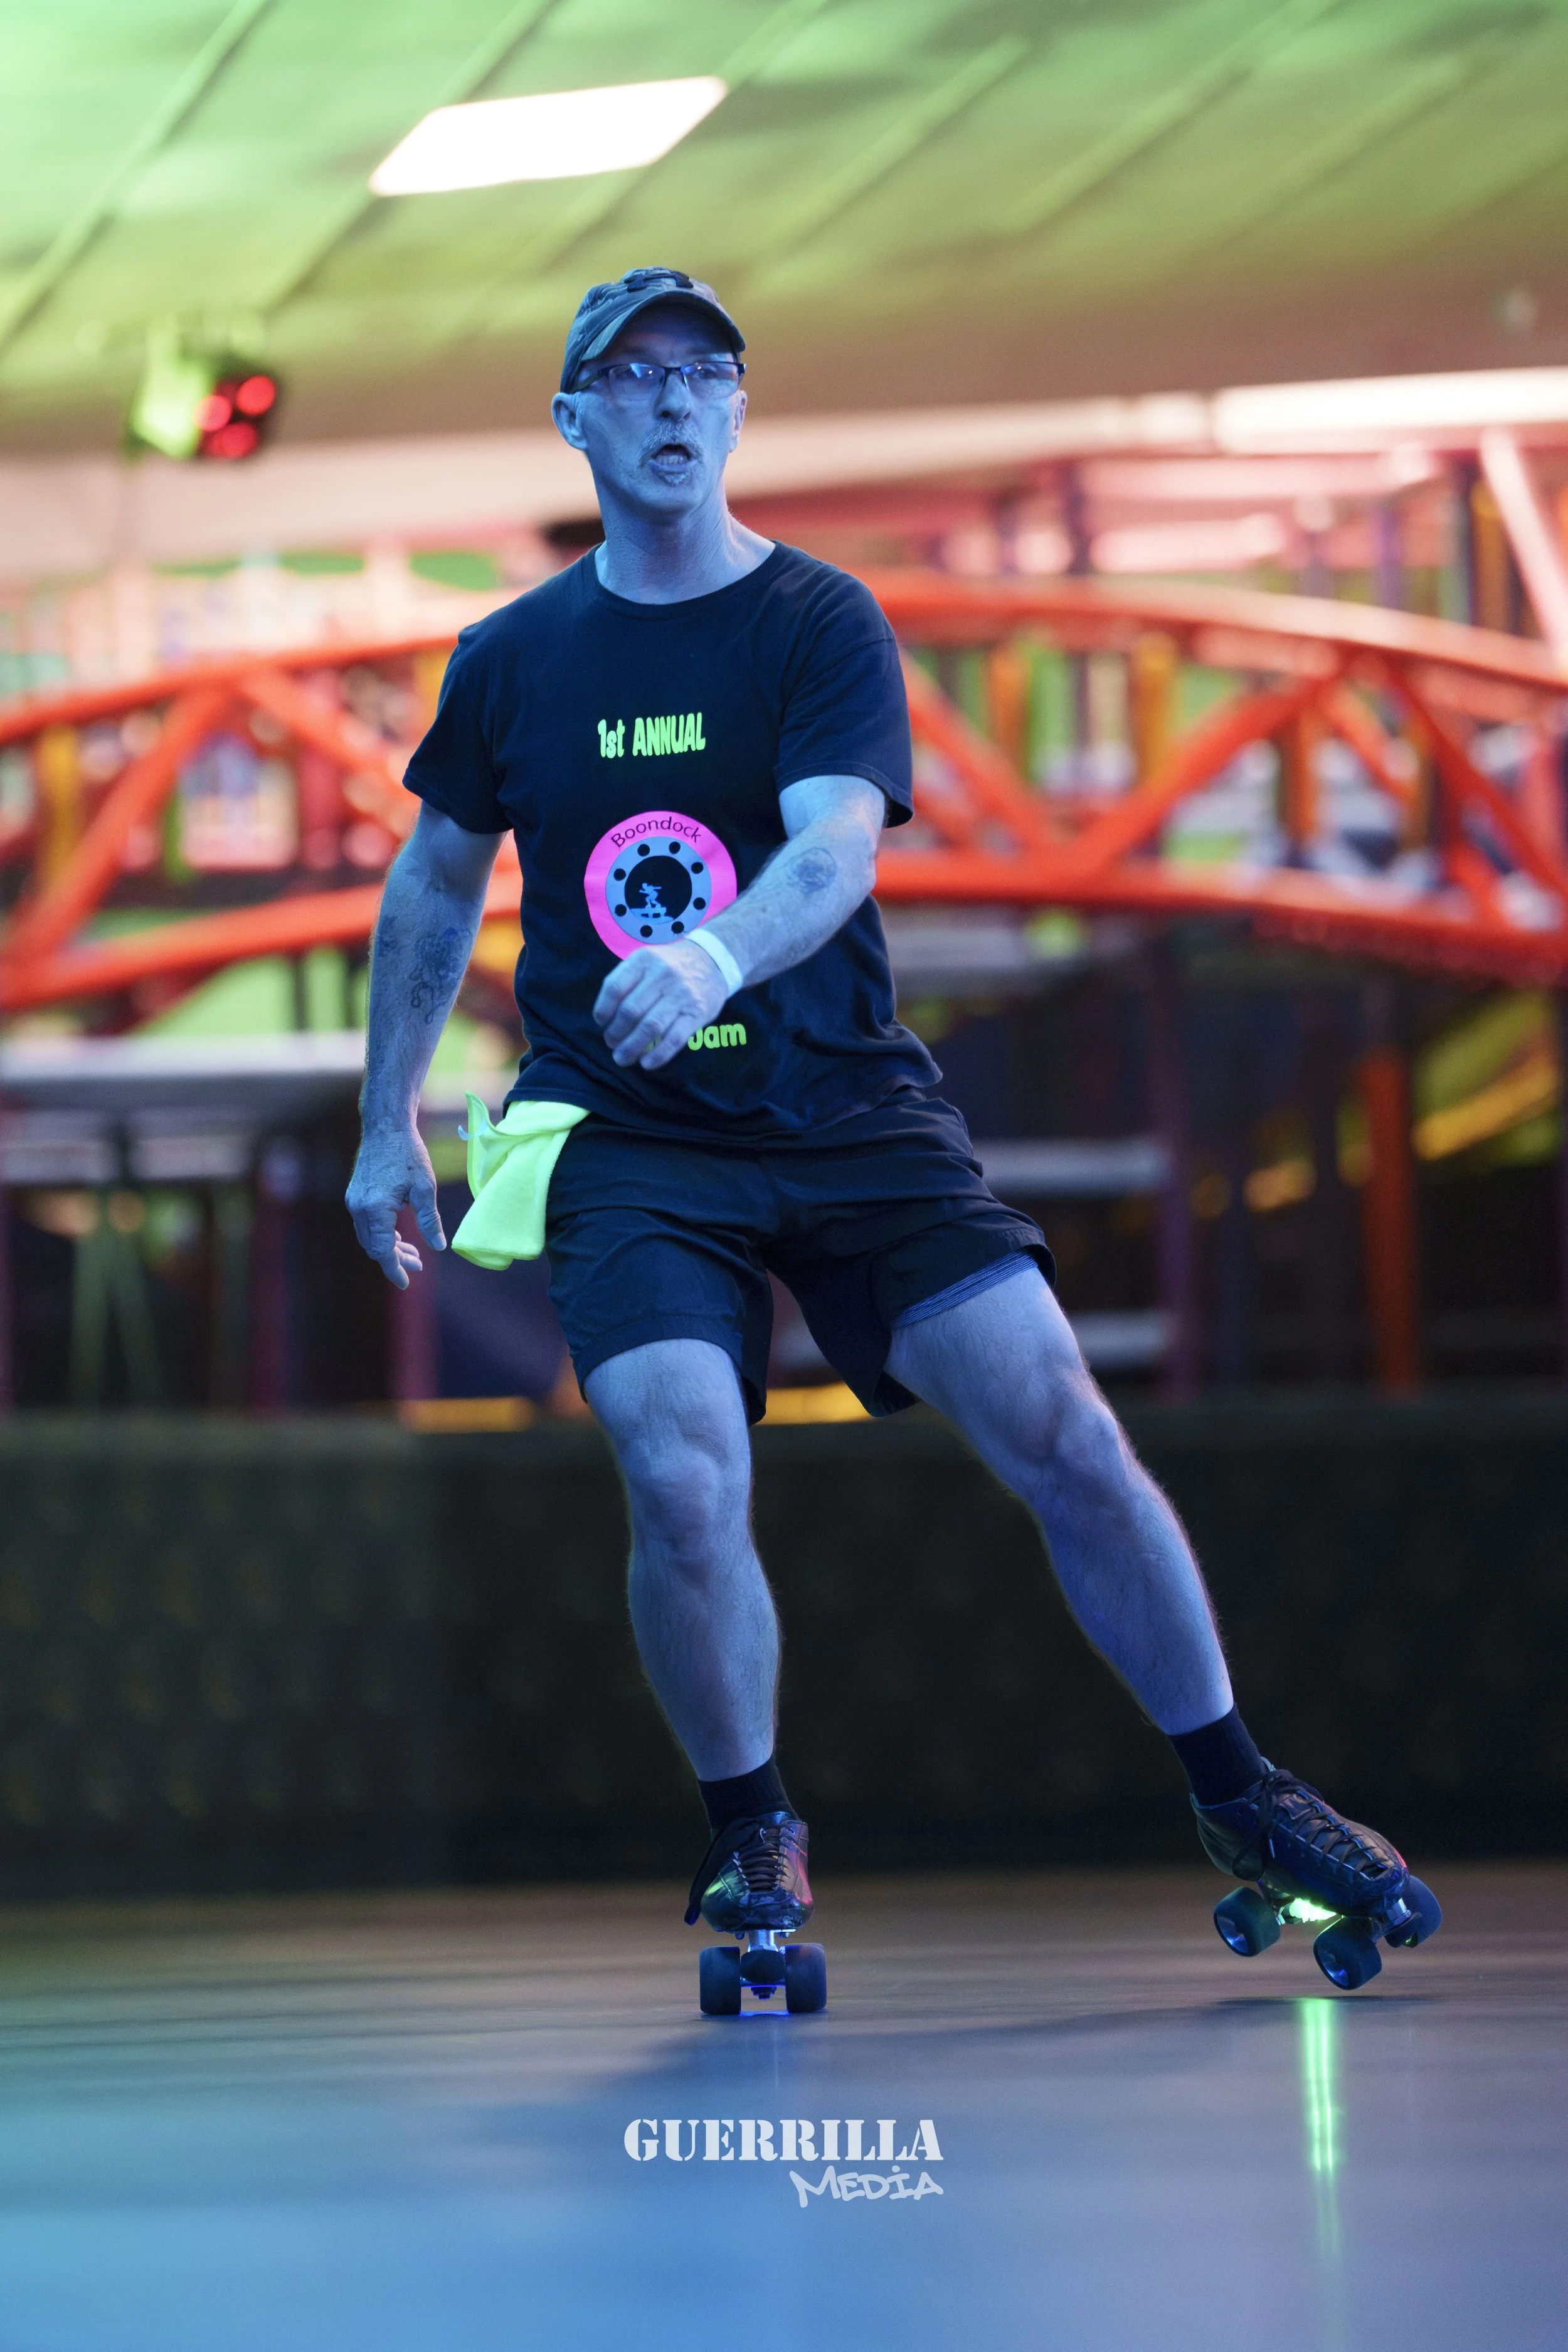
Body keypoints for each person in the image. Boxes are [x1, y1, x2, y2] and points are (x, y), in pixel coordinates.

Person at [347, 266, 1438, 1992]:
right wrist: (381, 1116)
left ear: (736, 409)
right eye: (629, 378)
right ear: (574, 421)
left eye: (703, 369)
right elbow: (428, 884)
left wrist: (712, 946)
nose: (671, 398)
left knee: (1064, 1425)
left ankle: (1240, 1791)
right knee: (685, 1469)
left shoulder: (814, 621)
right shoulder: (511, 662)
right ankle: (750, 1830)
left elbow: (837, 848)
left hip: (848, 1113)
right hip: (626, 1141)